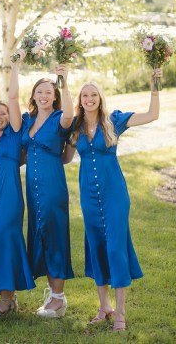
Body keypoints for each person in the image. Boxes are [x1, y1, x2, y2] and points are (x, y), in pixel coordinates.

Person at [63, 68, 162, 332]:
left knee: (115, 248)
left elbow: (153, 115)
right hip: (89, 196)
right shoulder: (75, 126)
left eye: (93, 94)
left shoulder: (114, 121)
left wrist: (154, 85)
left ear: (100, 98)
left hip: (115, 194)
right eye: (85, 95)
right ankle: (103, 307)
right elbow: (66, 158)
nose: (89, 99)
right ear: (80, 100)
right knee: (96, 247)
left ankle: (120, 312)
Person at [15, 54, 74, 318]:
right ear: (34, 95)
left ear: (54, 96)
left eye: (48, 92)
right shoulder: (27, 121)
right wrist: (14, 67)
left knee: (55, 235)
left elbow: (72, 114)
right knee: (40, 234)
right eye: (39, 91)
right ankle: (53, 294)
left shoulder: (60, 117)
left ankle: (59, 299)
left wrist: (65, 81)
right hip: (33, 188)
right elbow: (11, 101)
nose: (43, 95)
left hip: (52, 187)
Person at [0, 58, 35, 315]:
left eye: (2, 113)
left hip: (10, 198)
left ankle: (6, 299)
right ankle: (9, 298)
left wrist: (14, 67)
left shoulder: (15, 133)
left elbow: (13, 97)